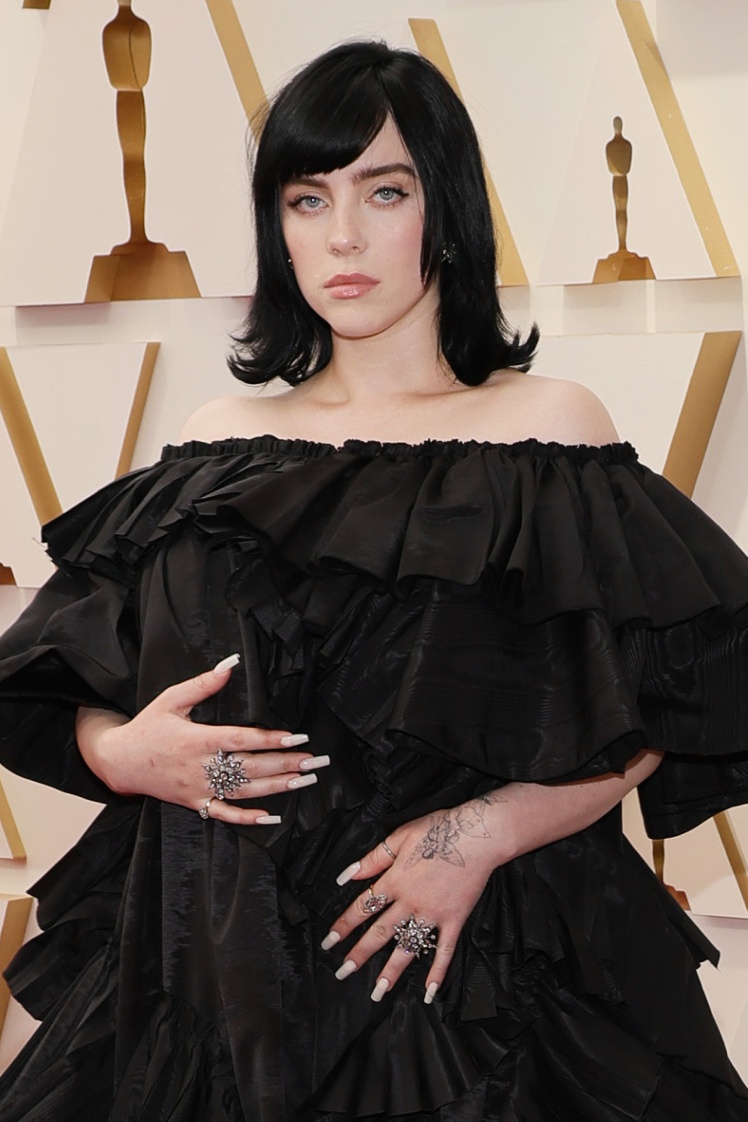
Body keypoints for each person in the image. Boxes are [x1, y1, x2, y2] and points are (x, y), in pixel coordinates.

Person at [0, 38, 748, 1122]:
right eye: (307, 200)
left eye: (383, 192)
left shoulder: (547, 433)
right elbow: (62, 677)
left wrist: (474, 837)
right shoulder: (215, 445)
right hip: (215, 972)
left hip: (467, 978)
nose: (341, 235)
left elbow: (658, 703)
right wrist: (126, 754)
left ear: (445, 210)